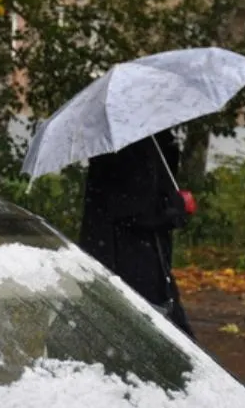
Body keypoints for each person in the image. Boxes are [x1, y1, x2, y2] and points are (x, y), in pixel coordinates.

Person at [78, 129, 195, 337]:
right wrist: (173, 210)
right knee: (154, 331)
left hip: (143, 255)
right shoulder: (126, 145)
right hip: (126, 258)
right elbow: (130, 206)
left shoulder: (152, 138)